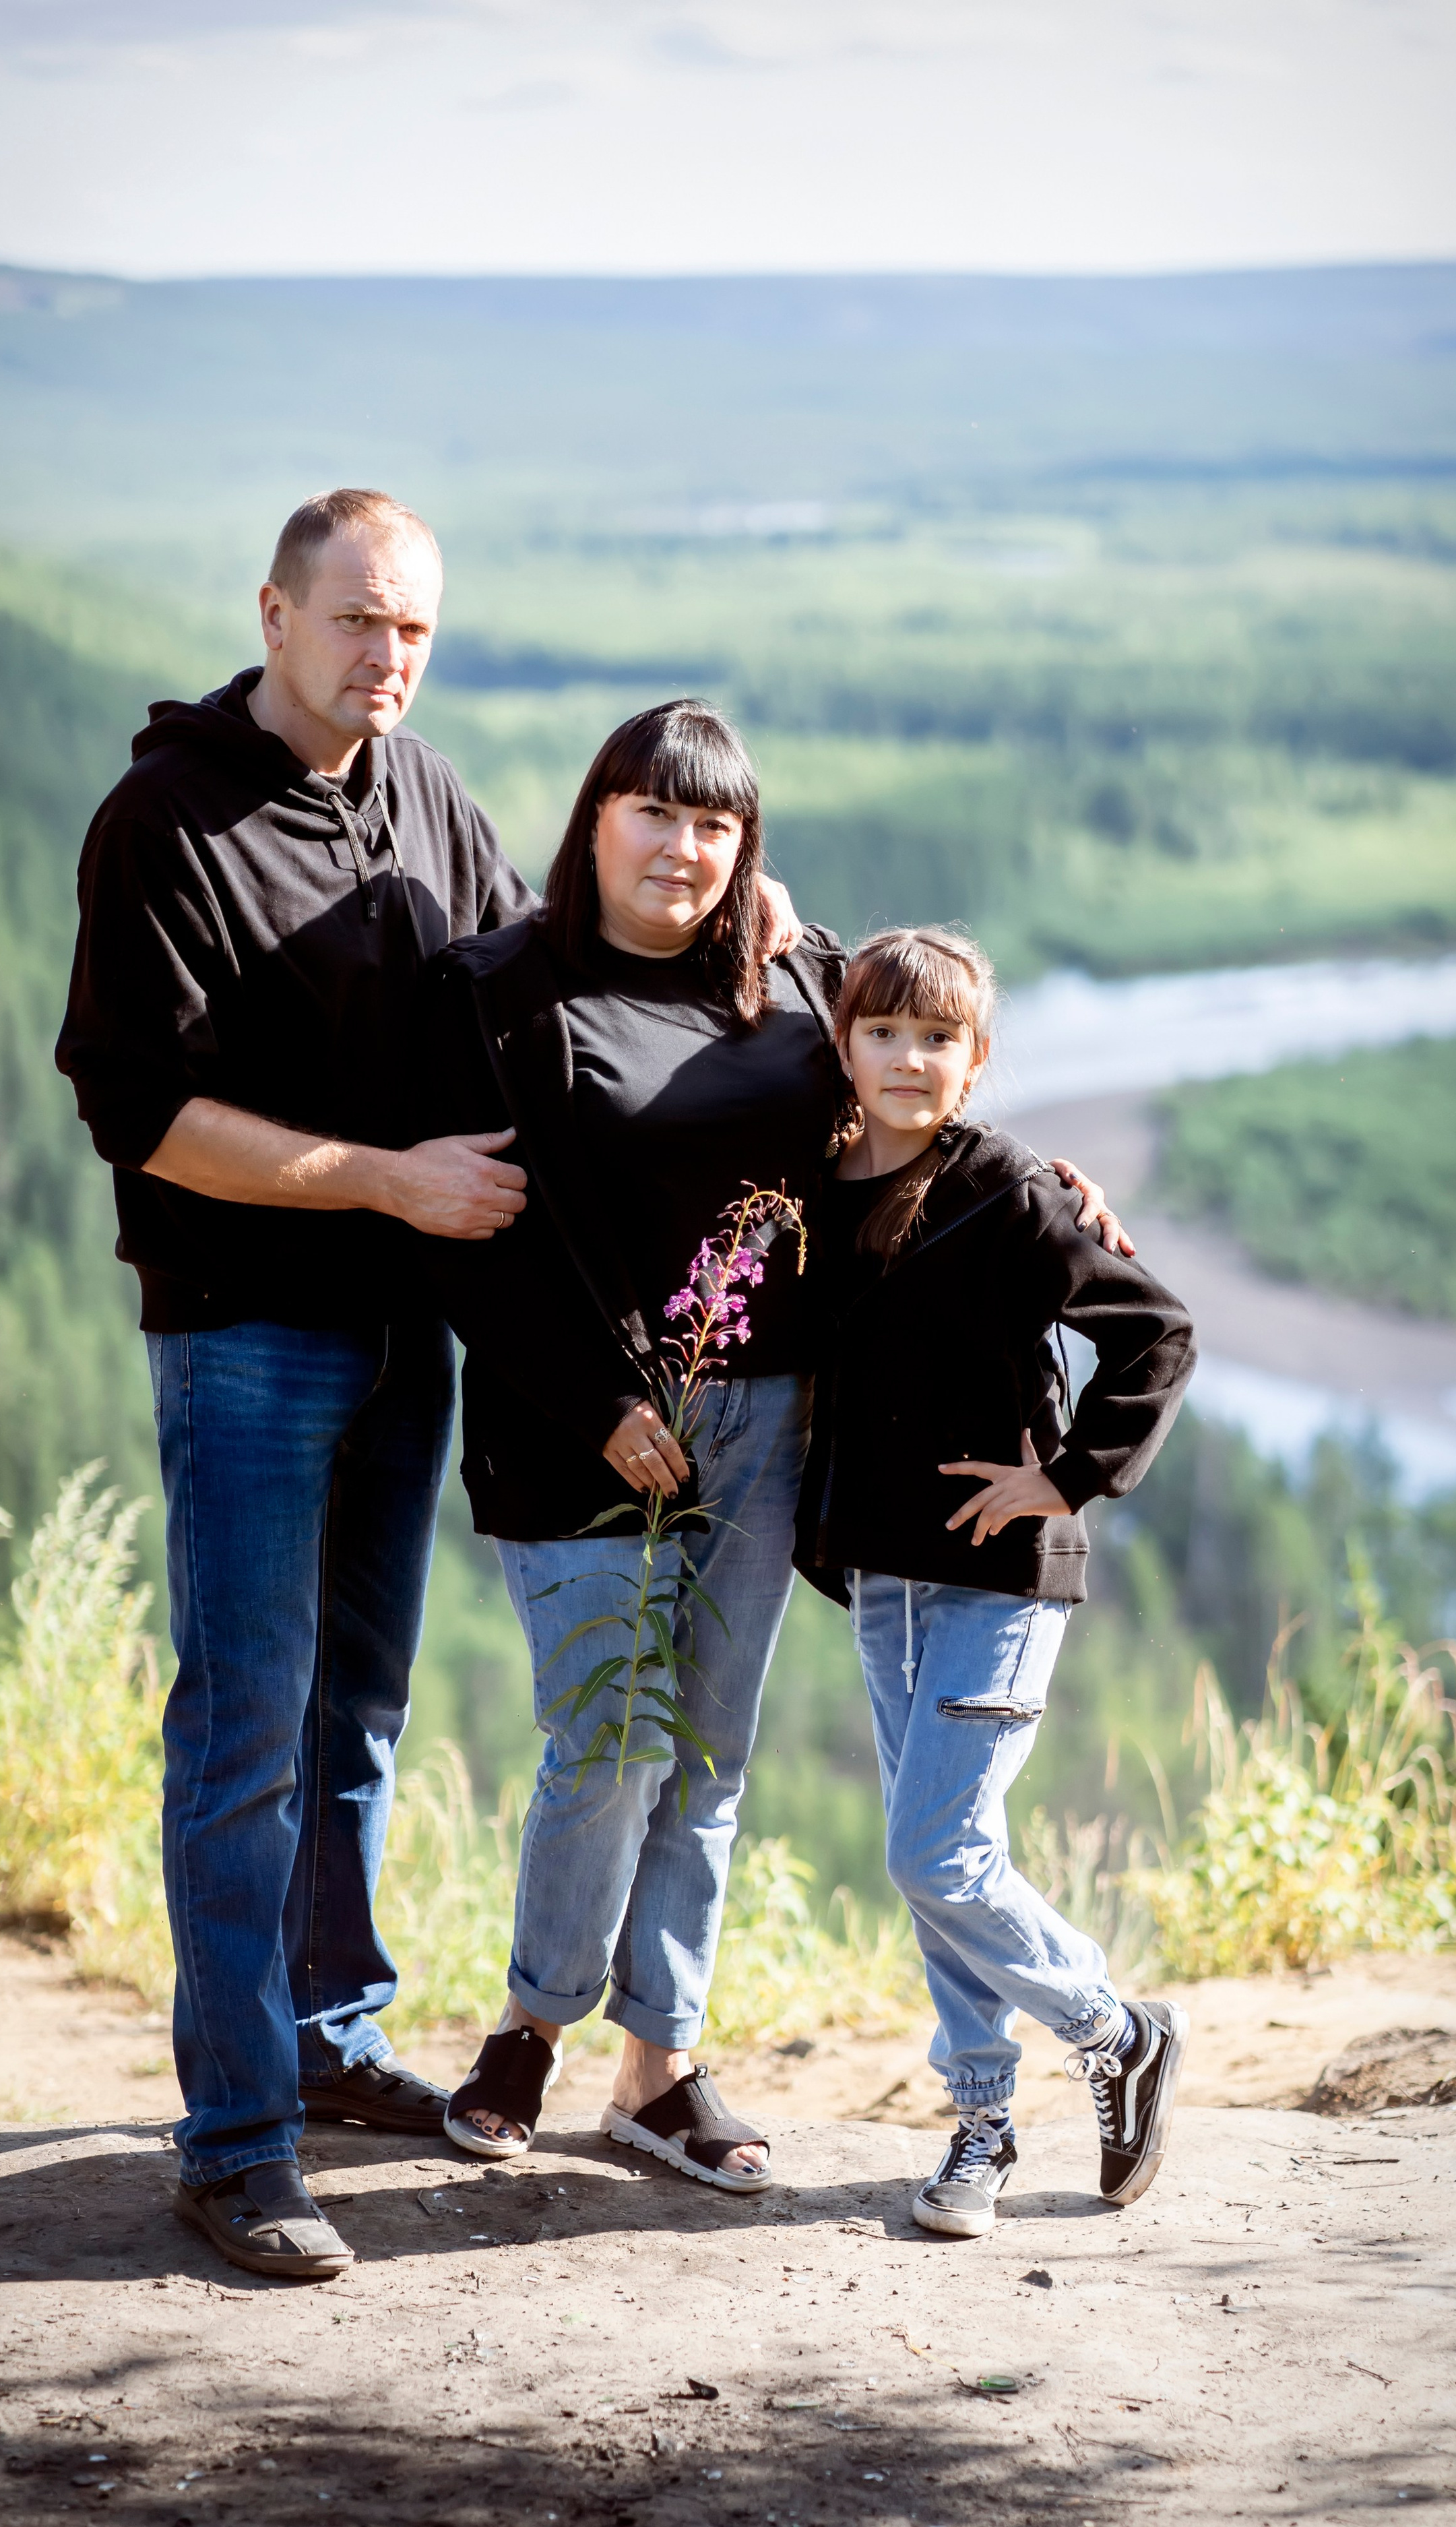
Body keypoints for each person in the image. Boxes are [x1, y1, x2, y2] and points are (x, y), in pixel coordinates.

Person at [57, 493, 807, 2280]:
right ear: (273, 613)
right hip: (249, 1325)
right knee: (246, 1729)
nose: (386, 658)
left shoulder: (428, 795)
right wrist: (388, 1180)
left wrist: (760, 923)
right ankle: (236, 2140)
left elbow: (537, 962)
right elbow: (140, 1114)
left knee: (358, 1720)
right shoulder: (166, 822)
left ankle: (324, 2041)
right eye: (357, 623)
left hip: (412, 1339)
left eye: (413, 632)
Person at [412, 708, 1127, 2193]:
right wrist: (602, 1402)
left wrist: (1049, 1188)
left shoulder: (796, 975)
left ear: (748, 844)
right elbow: (470, 1240)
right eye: (651, 814)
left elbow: (917, 1073)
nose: (682, 849)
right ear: (592, 819)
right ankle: (532, 2025)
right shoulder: (499, 989)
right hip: (580, 1425)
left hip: (768, 1418)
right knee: (602, 1741)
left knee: (708, 1753)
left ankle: (657, 2069)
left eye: (715, 825)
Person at [796, 925, 1197, 2239]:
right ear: (842, 1043)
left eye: (938, 1039)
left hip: (994, 1575)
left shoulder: (1012, 1192)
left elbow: (1155, 1332)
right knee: (937, 1861)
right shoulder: (819, 1176)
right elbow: (786, 940)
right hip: (882, 1576)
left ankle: (1114, 2029)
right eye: (882, 1032)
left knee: (933, 1848)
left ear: (976, 1061)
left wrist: (1068, 1477)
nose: (908, 1059)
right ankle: (981, 2123)